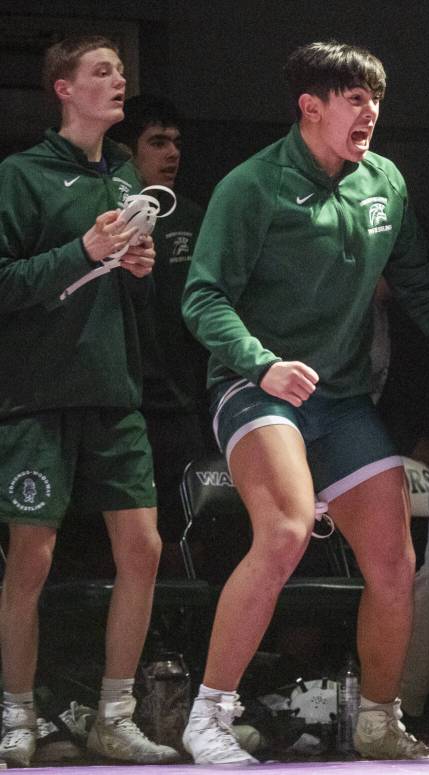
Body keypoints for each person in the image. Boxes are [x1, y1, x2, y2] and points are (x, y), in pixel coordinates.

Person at [179, 41, 429, 765]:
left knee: (396, 559)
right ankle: (207, 718)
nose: (370, 114)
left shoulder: (381, 180)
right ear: (311, 107)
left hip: (343, 398)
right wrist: (261, 363)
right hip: (253, 389)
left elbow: (419, 286)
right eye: (354, 100)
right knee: (287, 529)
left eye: (376, 100)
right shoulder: (252, 186)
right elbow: (201, 297)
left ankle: (379, 720)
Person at [0, 35, 178, 766]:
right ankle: (15, 712)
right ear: (63, 89)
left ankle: (115, 713)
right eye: (101, 72)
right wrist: (84, 252)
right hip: (35, 398)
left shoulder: (119, 183)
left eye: (121, 71)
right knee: (31, 558)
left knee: (144, 548)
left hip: (113, 394)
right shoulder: (19, 175)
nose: (118, 81)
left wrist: (135, 266)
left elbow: (123, 295)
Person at [107, 94, 213, 566]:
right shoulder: (100, 216)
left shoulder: (193, 217)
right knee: (120, 537)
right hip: (115, 401)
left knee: (182, 531)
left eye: (176, 142)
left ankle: (178, 636)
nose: (172, 153)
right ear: (128, 151)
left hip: (179, 402)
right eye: (157, 142)